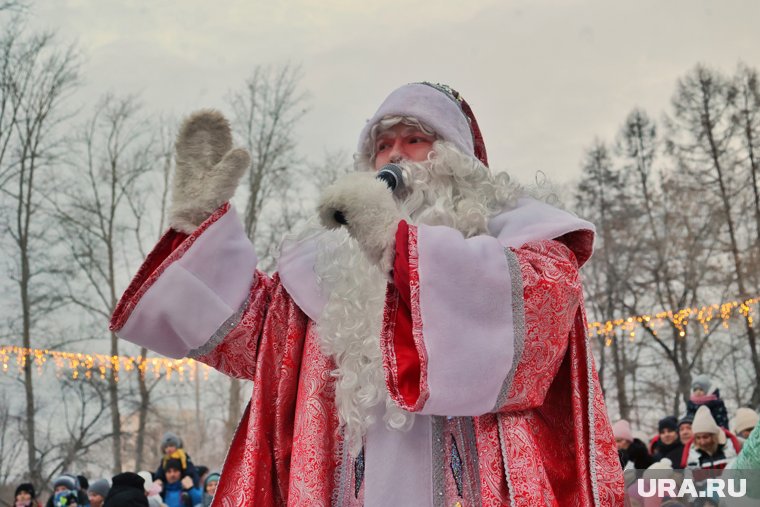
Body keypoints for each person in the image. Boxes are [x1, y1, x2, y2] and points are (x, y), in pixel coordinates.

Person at [110, 81, 624, 505]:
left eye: (414, 139)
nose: (394, 155)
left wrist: (397, 245)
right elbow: (256, 345)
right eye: (382, 144)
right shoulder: (322, 268)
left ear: (457, 156)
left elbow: (537, 316)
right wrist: (202, 228)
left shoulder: (526, 242)